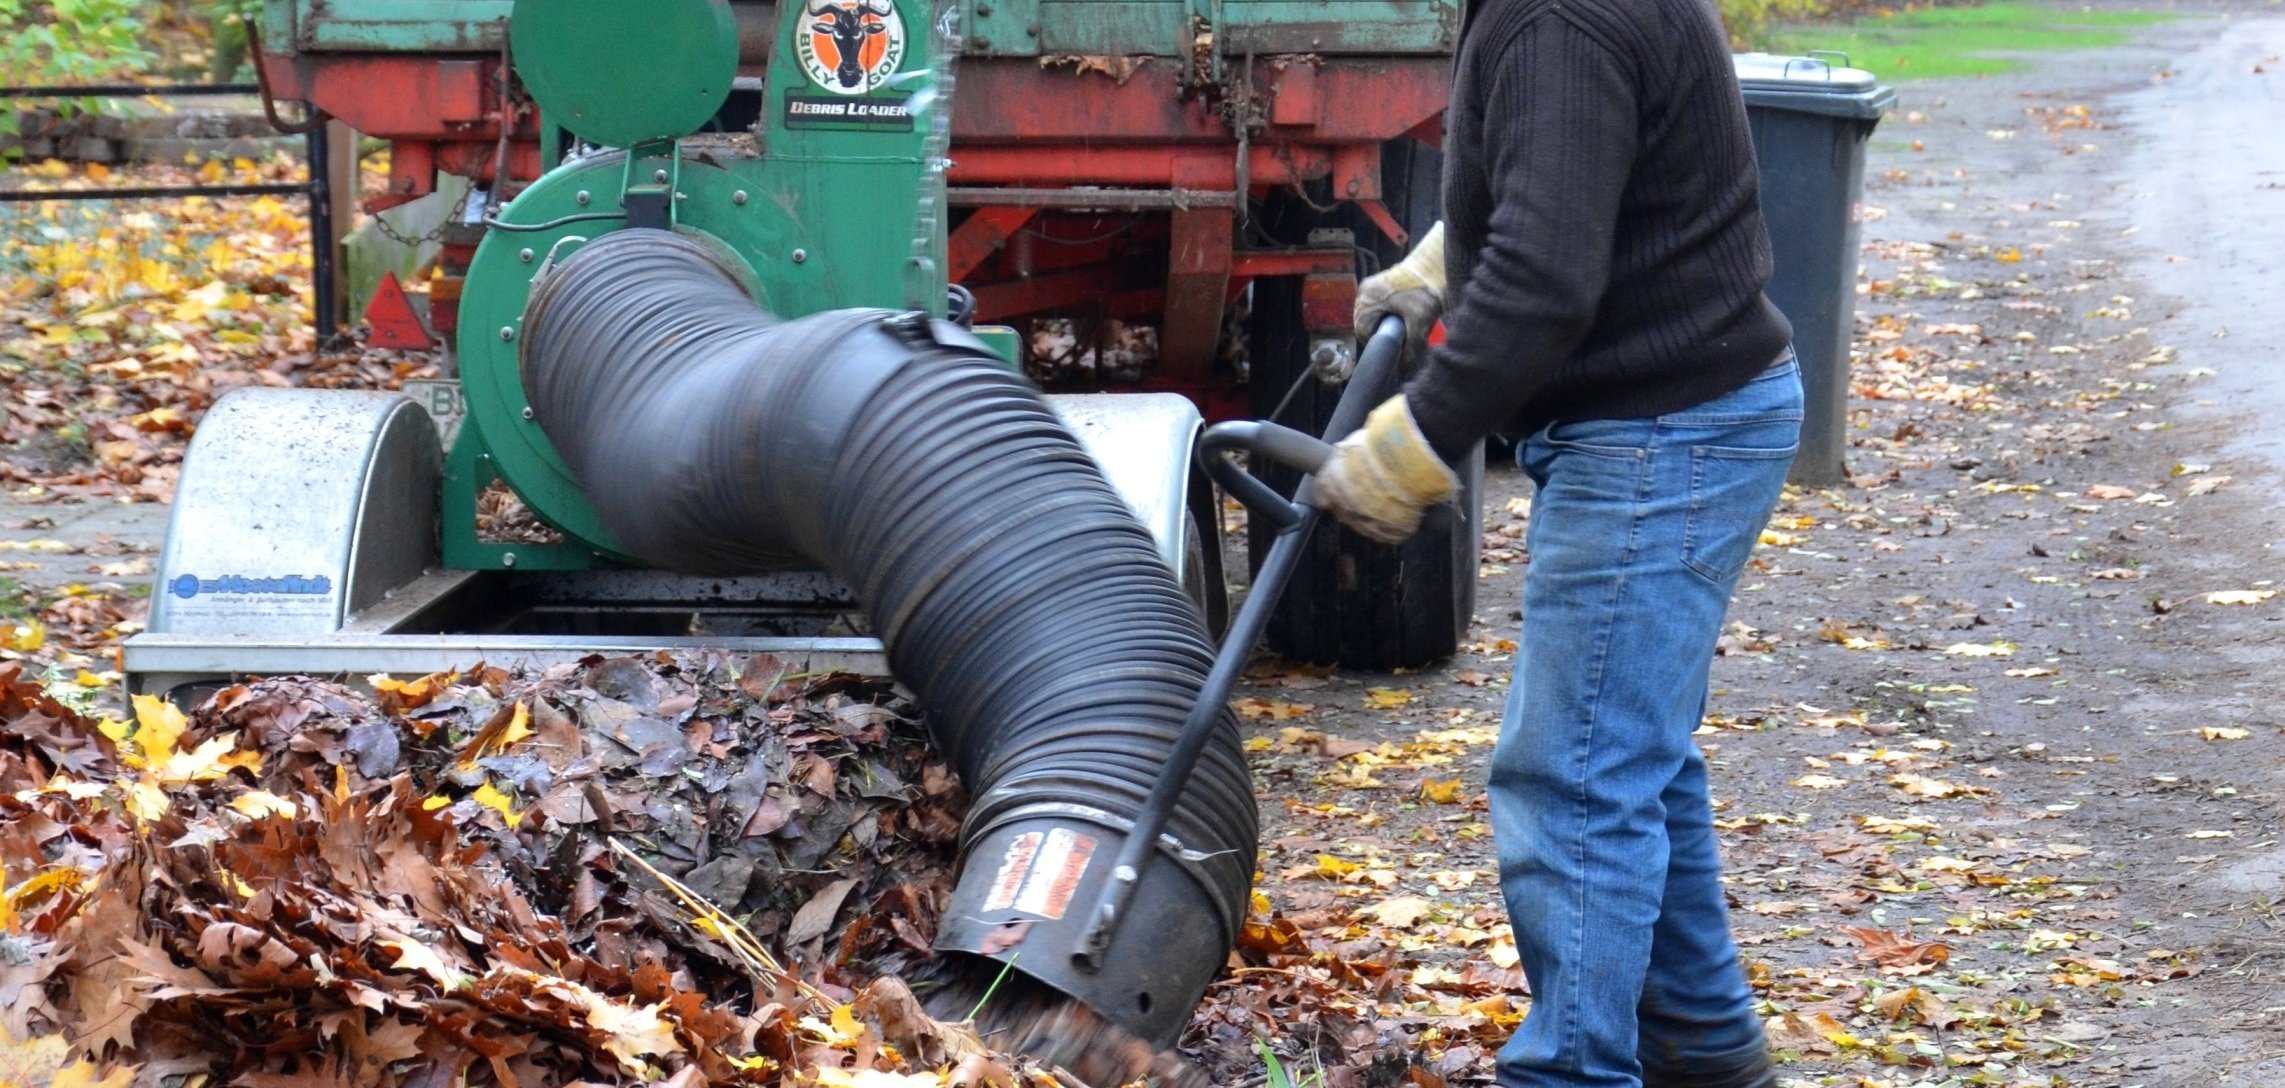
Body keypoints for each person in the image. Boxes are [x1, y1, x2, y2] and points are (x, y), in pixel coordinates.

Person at [1310, 1, 1804, 1086]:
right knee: (1628, 748)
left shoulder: (1556, 18)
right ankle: (1704, 1046)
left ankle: (1570, 1070)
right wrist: (1450, 251)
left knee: (1573, 773)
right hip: (1684, 406)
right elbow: (1577, 170)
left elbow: (1544, 278)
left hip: (1661, 429)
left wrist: (1412, 441)